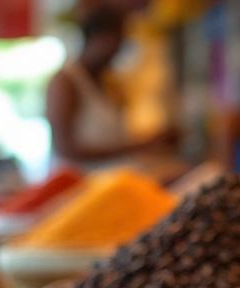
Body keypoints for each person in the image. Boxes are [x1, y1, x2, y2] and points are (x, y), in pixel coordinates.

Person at [45, 5, 173, 169]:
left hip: (112, 177)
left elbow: (112, 137)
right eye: (117, 41)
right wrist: (140, 146)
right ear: (99, 38)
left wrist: (147, 142)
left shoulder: (109, 82)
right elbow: (65, 149)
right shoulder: (65, 82)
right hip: (80, 181)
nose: (118, 50)